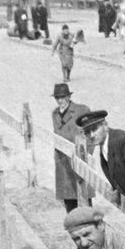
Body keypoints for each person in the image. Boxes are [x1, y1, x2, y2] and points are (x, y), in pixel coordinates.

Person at [52, 81, 93, 211]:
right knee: (69, 205)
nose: (60, 101)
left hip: (79, 161)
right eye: (57, 98)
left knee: (85, 203)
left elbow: (91, 135)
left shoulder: (82, 110)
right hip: (63, 164)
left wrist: (86, 157)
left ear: (69, 97)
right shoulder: (55, 113)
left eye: (63, 97)